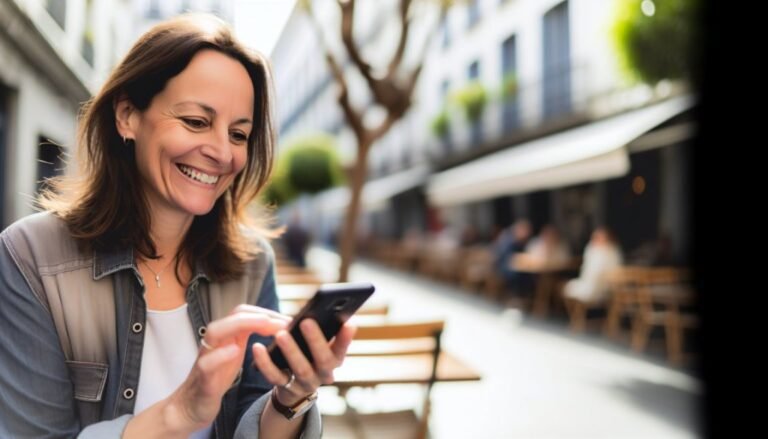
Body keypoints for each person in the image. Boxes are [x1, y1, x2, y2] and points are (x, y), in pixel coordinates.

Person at [0, 14, 355, 438]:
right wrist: (181, 412)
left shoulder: (252, 263)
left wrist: (291, 396)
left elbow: (256, 425)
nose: (223, 153)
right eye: (196, 121)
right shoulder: (31, 257)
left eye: (239, 134)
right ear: (128, 116)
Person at [563, 227, 624, 303]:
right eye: (596, 237)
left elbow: (605, 272)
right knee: (566, 287)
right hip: (591, 283)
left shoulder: (610, 252)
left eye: (600, 237)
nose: (597, 240)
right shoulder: (593, 251)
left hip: (604, 287)